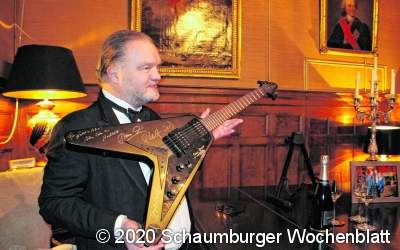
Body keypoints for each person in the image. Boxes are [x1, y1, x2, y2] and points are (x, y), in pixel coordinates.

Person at [38, 30, 243, 250]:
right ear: (115, 73)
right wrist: (119, 226)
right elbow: (55, 203)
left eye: (157, 67)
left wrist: (200, 144)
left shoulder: (151, 118)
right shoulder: (76, 128)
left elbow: (173, 174)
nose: (158, 76)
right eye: (146, 68)